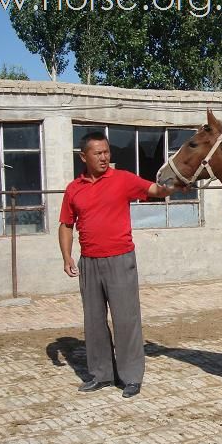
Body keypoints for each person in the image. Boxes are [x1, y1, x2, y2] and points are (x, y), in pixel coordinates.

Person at [59, 132, 171, 398]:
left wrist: (173, 183)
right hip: (89, 262)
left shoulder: (122, 179)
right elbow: (65, 225)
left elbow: (154, 190)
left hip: (120, 260)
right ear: (83, 157)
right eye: (98, 153)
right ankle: (101, 375)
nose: (104, 157)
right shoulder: (74, 189)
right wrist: (67, 257)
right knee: (94, 322)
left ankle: (131, 377)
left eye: (107, 152)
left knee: (126, 319)